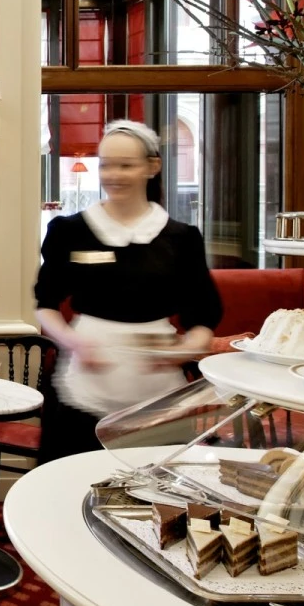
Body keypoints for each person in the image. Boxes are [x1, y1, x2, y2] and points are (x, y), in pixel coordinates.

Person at [34, 119, 222, 463]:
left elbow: (204, 317)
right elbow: (44, 305)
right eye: (105, 165)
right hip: (83, 393)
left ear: (152, 167)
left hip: (158, 396)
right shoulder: (69, 231)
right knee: (71, 485)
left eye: (126, 165)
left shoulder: (181, 239)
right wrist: (73, 342)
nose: (113, 175)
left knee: (156, 497)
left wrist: (180, 352)